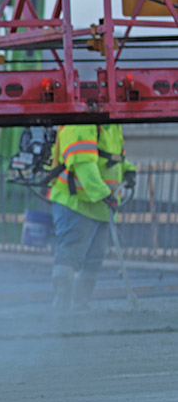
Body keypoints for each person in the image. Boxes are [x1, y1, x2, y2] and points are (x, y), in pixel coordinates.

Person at [47, 124, 135, 311]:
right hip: (77, 203)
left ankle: (80, 305)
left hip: (101, 207)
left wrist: (128, 169)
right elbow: (83, 164)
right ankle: (61, 307)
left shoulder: (111, 125)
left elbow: (114, 157)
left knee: (94, 259)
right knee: (70, 256)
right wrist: (104, 194)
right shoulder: (81, 123)